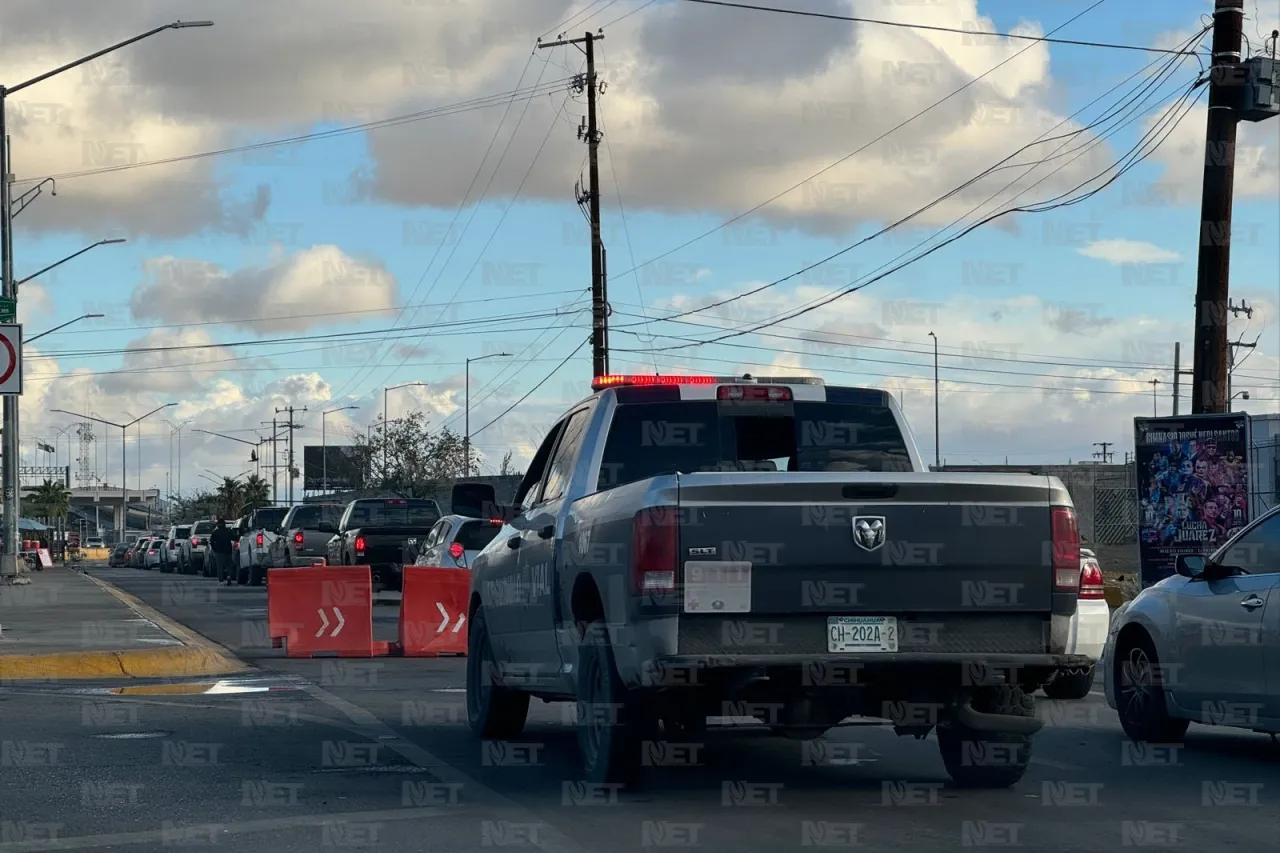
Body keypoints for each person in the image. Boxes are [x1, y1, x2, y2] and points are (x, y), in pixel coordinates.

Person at [210, 518, 236, 585]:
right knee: (229, 565)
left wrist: (214, 549)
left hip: (219, 551)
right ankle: (229, 576)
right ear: (224, 524)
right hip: (228, 551)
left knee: (220, 566)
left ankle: (221, 580)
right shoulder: (229, 531)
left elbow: (211, 542)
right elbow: (235, 538)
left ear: (218, 525)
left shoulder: (215, 532)